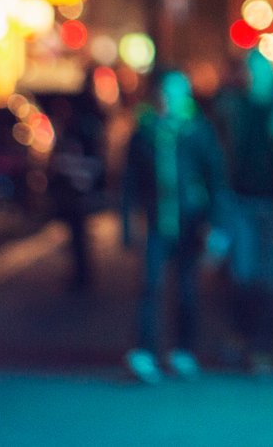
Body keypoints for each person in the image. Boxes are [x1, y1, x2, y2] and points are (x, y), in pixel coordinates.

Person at [119, 70, 229, 384]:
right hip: (157, 221)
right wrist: (127, 225)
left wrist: (217, 226)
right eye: (167, 92)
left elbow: (217, 178)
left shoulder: (199, 131)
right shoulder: (146, 131)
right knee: (150, 286)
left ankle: (183, 350)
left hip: (190, 223)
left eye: (177, 92)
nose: (171, 99)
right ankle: (145, 351)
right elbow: (129, 181)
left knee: (187, 289)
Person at [214, 50, 273, 376]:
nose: (256, 78)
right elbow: (220, 151)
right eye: (251, 72)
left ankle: (262, 347)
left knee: (269, 279)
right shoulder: (232, 106)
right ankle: (241, 336)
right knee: (242, 274)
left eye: (262, 71)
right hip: (240, 202)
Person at [46, 83, 107, 291]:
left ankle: (81, 276)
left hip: (76, 189)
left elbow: (72, 159)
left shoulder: (78, 128)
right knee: (78, 235)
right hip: (79, 188)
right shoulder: (89, 126)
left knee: (78, 235)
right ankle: (82, 275)